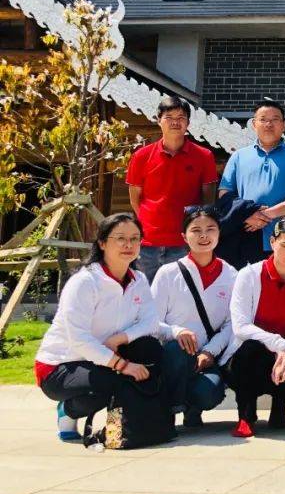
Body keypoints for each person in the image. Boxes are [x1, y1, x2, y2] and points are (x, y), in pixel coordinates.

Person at [35, 213, 163, 441]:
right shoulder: (85, 282)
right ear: (102, 243)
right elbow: (79, 339)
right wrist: (122, 365)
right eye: (120, 238)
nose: (128, 244)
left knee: (150, 348)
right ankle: (70, 411)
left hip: (105, 355)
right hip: (61, 365)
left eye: (135, 238)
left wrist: (121, 338)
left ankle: (123, 432)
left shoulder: (139, 279)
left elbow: (150, 322)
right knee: (117, 381)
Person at [221, 214, 285, 437]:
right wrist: (279, 344)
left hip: (284, 353)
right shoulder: (249, 275)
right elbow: (240, 327)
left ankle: (279, 407)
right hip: (250, 356)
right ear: (272, 242)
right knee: (250, 350)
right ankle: (246, 416)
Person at [151, 207, 236, 428]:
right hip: (172, 356)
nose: (203, 236)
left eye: (210, 229)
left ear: (219, 233)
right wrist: (176, 332)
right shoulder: (168, 273)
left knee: (209, 392)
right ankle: (168, 410)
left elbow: (233, 324)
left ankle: (193, 408)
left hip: (205, 357)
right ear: (184, 236)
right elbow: (151, 321)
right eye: (196, 230)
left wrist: (210, 351)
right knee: (177, 350)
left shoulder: (232, 275)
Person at [126, 96, 218, 282]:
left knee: (182, 294)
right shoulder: (141, 156)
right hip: (147, 243)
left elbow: (208, 201)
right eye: (169, 117)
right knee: (145, 294)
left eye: (181, 117)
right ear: (158, 120)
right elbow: (135, 200)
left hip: (185, 242)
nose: (175, 122)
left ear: (188, 123)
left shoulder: (204, 156)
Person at [218, 98, 285, 265]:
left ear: (284, 125)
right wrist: (246, 214)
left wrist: (267, 215)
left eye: (275, 119)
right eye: (263, 119)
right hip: (245, 232)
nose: (268, 124)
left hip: (284, 236)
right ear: (254, 124)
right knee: (247, 280)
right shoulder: (238, 156)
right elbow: (224, 194)